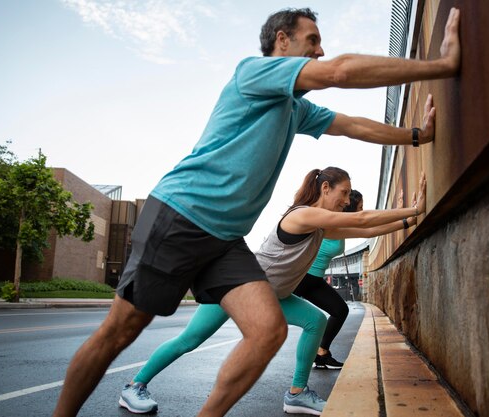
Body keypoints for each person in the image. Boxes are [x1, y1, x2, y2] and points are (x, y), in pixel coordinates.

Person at [52, 7, 460, 417]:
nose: (320, 51)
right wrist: (441, 65)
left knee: (268, 331)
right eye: (312, 41)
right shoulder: (254, 73)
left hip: (225, 241)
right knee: (120, 332)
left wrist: (416, 136)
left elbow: (352, 124)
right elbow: (339, 72)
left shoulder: (296, 109)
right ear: (282, 40)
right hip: (180, 216)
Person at [117, 167, 426, 416]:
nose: (347, 200)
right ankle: (134, 386)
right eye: (344, 193)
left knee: (315, 321)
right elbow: (359, 218)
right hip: (240, 287)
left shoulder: (321, 225)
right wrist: (411, 207)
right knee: (190, 339)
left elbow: (366, 229)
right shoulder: (302, 215)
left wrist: (410, 218)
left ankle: (297, 394)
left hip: (271, 295)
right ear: (325, 188)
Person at [293, 189, 363, 370]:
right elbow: (367, 224)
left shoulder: (342, 226)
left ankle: (322, 352)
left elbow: (370, 225)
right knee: (312, 322)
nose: (363, 210)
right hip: (300, 278)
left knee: (340, 310)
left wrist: (403, 219)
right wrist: (407, 216)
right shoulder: (328, 222)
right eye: (360, 207)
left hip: (313, 280)